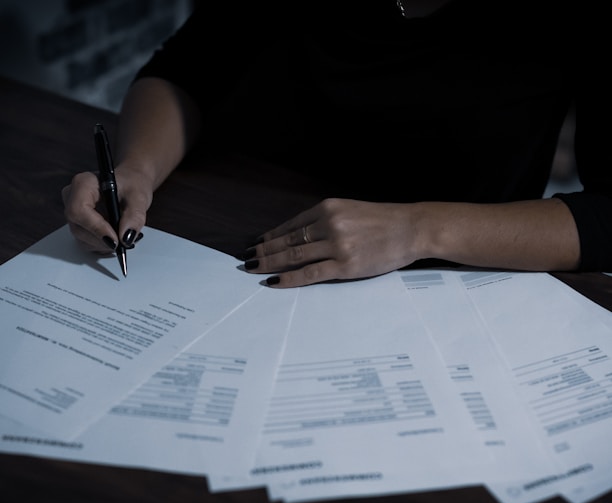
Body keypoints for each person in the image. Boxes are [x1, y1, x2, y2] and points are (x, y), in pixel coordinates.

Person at [62, 0, 612, 288]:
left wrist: (418, 228)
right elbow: (186, 71)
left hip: (458, 275)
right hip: (232, 238)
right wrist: (136, 168)